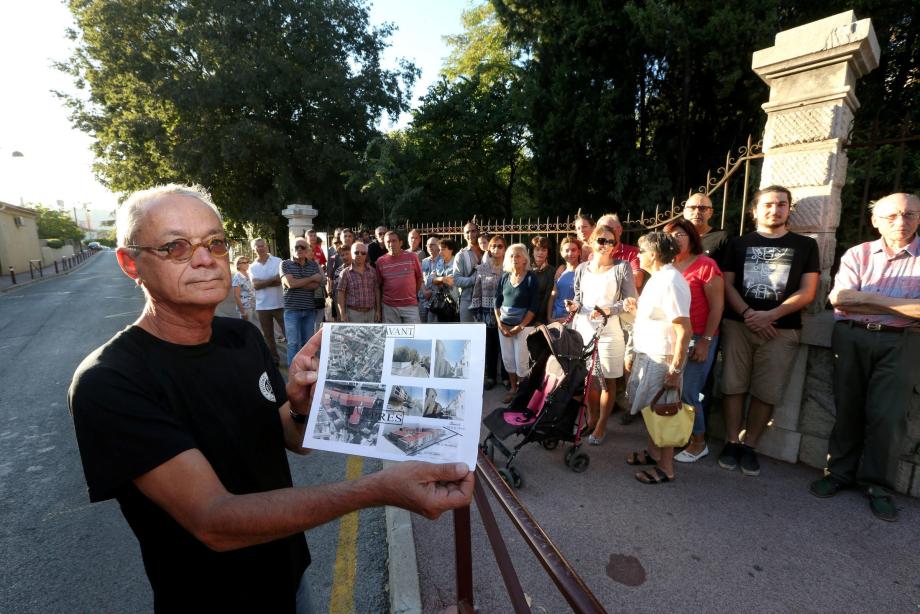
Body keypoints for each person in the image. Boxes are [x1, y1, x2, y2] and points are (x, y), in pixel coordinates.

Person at [68, 184, 474, 613]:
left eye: (215, 243)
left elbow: (293, 438)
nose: (205, 258)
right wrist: (378, 489)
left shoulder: (241, 338)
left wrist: (301, 406)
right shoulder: (109, 380)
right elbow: (214, 520)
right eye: (176, 247)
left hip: (292, 577)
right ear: (131, 263)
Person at [810, 193, 920, 522]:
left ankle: (877, 485)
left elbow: (854, 299)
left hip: (902, 342)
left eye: (910, 214)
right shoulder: (858, 254)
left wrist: (867, 298)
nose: (901, 222)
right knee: (848, 407)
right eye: (892, 216)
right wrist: (898, 304)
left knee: (888, 415)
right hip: (852, 336)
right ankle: (839, 473)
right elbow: (841, 300)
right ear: (875, 221)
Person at [719, 185, 819, 476]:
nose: (775, 210)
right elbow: (726, 284)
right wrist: (750, 313)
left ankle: (750, 445)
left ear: (789, 208)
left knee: (767, 391)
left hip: (781, 329)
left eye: (781, 204)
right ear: (755, 211)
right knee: (732, 385)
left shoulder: (805, 245)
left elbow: (808, 291)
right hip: (738, 324)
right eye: (768, 205)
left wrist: (772, 315)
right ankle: (731, 441)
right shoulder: (738, 244)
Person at [622, 232, 691, 484]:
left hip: (663, 357)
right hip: (649, 352)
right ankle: (653, 454)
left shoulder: (672, 280)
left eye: (641, 251)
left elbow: (684, 328)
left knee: (664, 411)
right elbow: (658, 317)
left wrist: (676, 369)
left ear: (653, 254)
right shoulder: (658, 278)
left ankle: (666, 467)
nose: (638, 255)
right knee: (652, 409)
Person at [566, 225, 638, 445]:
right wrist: (574, 305)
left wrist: (609, 310)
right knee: (589, 379)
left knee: (606, 380)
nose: (606, 245)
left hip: (609, 330)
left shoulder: (622, 267)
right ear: (592, 242)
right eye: (601, 240)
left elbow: (629, 301)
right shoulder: (581, 268)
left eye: (611, 241)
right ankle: (592, 418)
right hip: (584, 329)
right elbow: (579, 297)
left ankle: (602, 426)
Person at [663, 218, 724, 463]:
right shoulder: (666, 268)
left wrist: (705, 341)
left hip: (699, 336)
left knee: (689, 392)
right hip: (671, 338)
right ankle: (680, 436)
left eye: (680, 235)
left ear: (692, 237)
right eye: (670, 236)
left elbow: (717, 307)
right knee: (672, 390)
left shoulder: (706, 265)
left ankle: (699, 442)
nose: (675, 240)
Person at [494, 243, 541, 404]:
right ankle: (513, 389)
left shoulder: (530, 277)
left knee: (521, 360)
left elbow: (534, 305)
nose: (515, 258)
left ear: (525, 259)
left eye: (518, 255)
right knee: (508, 359)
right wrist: (500, 324)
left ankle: (523, 392)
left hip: (524, 327)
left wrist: (520, 327)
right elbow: (497, 302)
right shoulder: (505, 277)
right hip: (504, 326)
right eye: (512, 255)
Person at [471, 235, 507, 390]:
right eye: (494, 246)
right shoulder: (483, 267)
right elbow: (477, 290)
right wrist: (477, 312)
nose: (497, 249)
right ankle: (491, 376)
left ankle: (507, 377)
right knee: (490, 345)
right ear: (489, 249)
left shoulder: (510, 267)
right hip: (487, 311)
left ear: (505, 248)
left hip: (506, 312)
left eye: (500, 246)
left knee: (505, 345)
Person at [281, 237, 323, 366]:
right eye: (296, 247)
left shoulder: (313, 264)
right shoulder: (285, 264)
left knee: (308, 343)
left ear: (307, 250)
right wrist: (310, 278)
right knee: (293, 343)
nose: (299, 249)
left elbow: (316, 285)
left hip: (309, 310)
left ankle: (308, 369)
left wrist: (296, 283)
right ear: (292, 249)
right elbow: (290, 283)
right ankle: (293, 374)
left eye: (302, 247)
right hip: (292, 310)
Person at [250, 237, 286, 366]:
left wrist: (263, 282)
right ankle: (274, 359)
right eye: (257, 246)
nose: (261, 248)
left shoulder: (278, 261)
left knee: (288, 333)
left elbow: (280, 280)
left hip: (280, 303)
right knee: (268, 336)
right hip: (262, 306)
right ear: (254, 249)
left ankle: (295, 357)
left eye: (262, 245)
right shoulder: (252, 266)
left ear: (267, 246)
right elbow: (256, 286)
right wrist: (272, 280)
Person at [376, 230, 423, 324]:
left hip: (410, 306)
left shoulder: (412, 257)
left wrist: (412, 294)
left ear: (401, 242)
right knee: (392, 338)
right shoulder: (380, 261)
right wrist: (378, 309)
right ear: (385, 244)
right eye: (388, 242)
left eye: (394, 241)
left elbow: (419, 278)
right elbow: (378, 286)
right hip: (389, 307)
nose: (391, 244)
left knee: (414, 335)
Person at [336, 241, 380, 323]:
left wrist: (378, 310)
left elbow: (376, 290)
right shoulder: (345, 273)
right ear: (351, 254)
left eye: (363, 253)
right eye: (356, 252)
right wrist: (342, 313)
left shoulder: (373, 271)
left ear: (366, 255)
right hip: (353, 314)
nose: (359, 255)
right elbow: (341, 294)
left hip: (371, 313)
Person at [597, 213, 643, 290]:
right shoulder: (594, 255)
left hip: (624, 300)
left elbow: (637, 281)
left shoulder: (632, 252)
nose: (605, 233)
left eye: (609, 229)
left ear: (620, 230)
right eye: (601, 230)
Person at [684, 193, 729, 263]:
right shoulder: (676, 237)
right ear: (684, 212)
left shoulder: (721, 237)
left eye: (702, 208)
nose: (697, 212)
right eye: (692, 208)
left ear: (710, 212)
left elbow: (728, 271)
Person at [454, 221, 485, 323]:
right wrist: (474, 280)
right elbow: (457, 280)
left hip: (487, 300)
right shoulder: (461, 255)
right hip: (467, 301)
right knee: (468, 334)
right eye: (467, 232)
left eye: (473, 231)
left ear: (478, 232)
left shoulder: (488, 252)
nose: (470, 234)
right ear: (464, 235)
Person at [549, 236, 581, 322]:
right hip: (555, 317)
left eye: (573, 250)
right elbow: (553, 296)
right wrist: (549, 318)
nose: (570, 253)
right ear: (561, 253)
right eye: (567, 250)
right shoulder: (561, 271)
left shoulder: (583, 272)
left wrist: (569, 319)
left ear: (579, 252)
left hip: (572, 319)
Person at [326, 228, 355, 321]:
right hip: (339, 291)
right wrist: (329, 289)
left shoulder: (360, 251)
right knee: (341, 319)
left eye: (349, 236)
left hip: (355, 294)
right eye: (345, 236)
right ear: (341, 238)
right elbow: (330, 275)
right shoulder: (334, 256)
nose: (347, 238)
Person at [431, 238, 460, 323]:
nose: (440, 252)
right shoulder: (439, 262)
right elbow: (432, 280)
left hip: (454, 302)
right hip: (440, 302)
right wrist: (442, 279)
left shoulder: (456, 262)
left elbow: (451, 281)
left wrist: (439, 279)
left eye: (443, 249)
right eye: (439, 250)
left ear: (451, 249)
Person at [530, 236, 555, 326]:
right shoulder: (526, 269)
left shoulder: (552, 271)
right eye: (537, 249)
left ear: (548, 253)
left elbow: (548, 296)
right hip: (524, 316)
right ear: (532, 252)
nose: (540, 252)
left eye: (544, 250)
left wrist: (540, 319)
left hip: (541, 318)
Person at [419, 236, 440, 322]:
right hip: (423, 299)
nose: (429, 247)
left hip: (436, 300)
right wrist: (424, 291)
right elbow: (420, 278)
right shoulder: (424, 261)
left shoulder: (443, 260)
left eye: (432, 245)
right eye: (427, 245)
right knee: (421, 327)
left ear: (439, 246)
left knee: (433, 328)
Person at [329, 245, 353, 320]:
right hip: (343, 303)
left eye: (347, 254)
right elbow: (337, 292)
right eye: (342, 255)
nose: (345, 257)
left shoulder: (360, 268)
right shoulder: (338, 271)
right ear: (340, 257)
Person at [231, 254, 255, 321]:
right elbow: (236, 296)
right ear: (238, 265)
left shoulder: (249, 274)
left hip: (253, 305)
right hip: (245, 308)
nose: (247, 264)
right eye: (244, 263)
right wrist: (243, 312)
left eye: (247, 262)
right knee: (247, 328)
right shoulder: (237, 277)